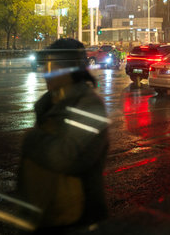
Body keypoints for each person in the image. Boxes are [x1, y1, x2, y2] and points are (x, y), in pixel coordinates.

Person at [17, 38, 110, 234]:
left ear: (70, 69)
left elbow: (67, 157)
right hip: (46, 213)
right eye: (45, 65)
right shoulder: (49, 102)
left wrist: (31, 140)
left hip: (78, 218)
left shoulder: (90, 105)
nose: (45, 71)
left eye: (52, 65)